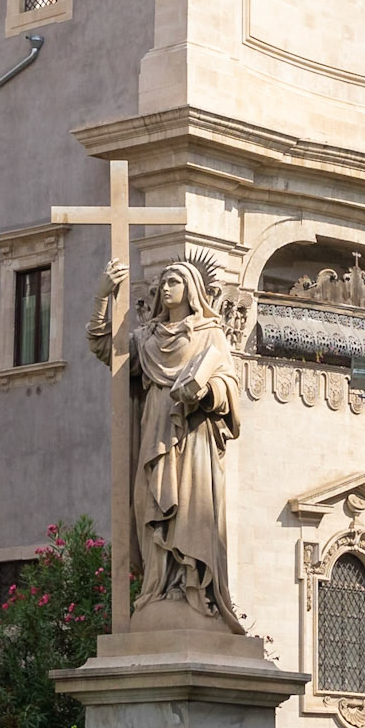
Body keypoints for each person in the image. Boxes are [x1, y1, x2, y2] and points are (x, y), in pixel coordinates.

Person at [89, 256, 245, 631]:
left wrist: (205, 390)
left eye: (174, 281)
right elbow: (104, 348)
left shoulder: (210, 334)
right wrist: (101, 297)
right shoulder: (146, 340)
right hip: (156, 435)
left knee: (193, 510)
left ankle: (193, 587)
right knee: (153, 505)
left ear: (190, 289)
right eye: (163, 283)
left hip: (194, 438)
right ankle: (158, 589)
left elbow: (230, 385)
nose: (166, 288)